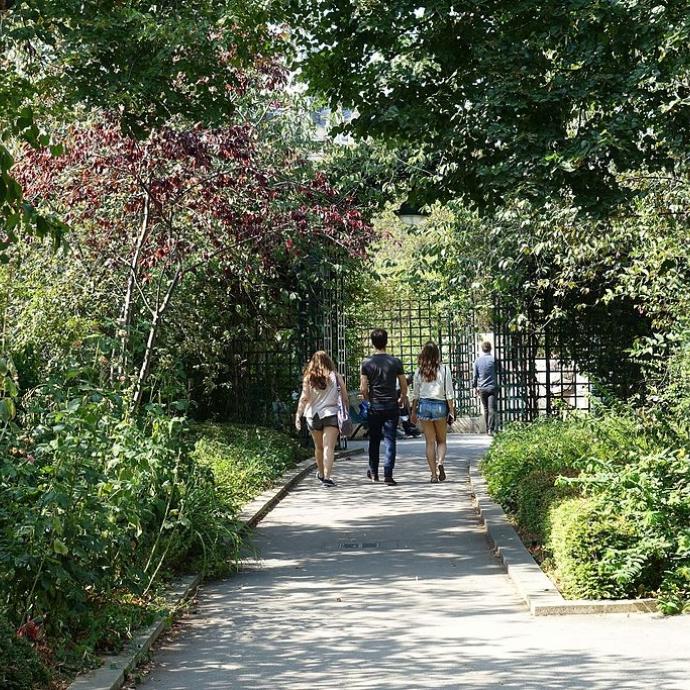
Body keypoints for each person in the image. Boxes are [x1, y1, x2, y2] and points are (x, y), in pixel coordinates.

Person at [360, 328, 408, 485]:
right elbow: (403, 383)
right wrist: (401, 397)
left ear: (372, 342)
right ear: (386, 342)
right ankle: (388, 474)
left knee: (374, 440)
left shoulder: (367, 363)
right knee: (390, 440)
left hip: (375, 406)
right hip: (391, 406)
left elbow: (363, 388)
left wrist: (368, 399)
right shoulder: (395, 362)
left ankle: (373, 472)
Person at [295, 351, 349, 487]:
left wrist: (298, 415)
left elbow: (304, 398)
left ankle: (321, 473)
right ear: (328, 361)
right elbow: (345, 397)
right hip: (331, 414)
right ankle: (327, 477)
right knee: (328, 448)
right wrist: (346, 412)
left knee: (318, 447)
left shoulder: (309, 378)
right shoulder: (335, 376)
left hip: (313, 416)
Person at [410, 342, 456, 483]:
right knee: (441, 441)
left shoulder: (419, 371)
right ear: (437, 354)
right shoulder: (445, 369)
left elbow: (415, 394)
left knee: (430, 442)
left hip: (424, 405)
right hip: (440, 405)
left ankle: (433, 476)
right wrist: (452, 411)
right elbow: (449, 393)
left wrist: (413, 412)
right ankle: (440, 463)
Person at [473, 341, 498, 434]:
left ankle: (488, 428)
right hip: (492, 387)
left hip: (482, 388)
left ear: (482, 349)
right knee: (492, 409)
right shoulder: (494, 360)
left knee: (486, 409)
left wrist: (475, 387)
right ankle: (490, 429)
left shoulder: (477, 361)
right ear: (490, 349)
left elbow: (475, 376)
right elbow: (499, 372)